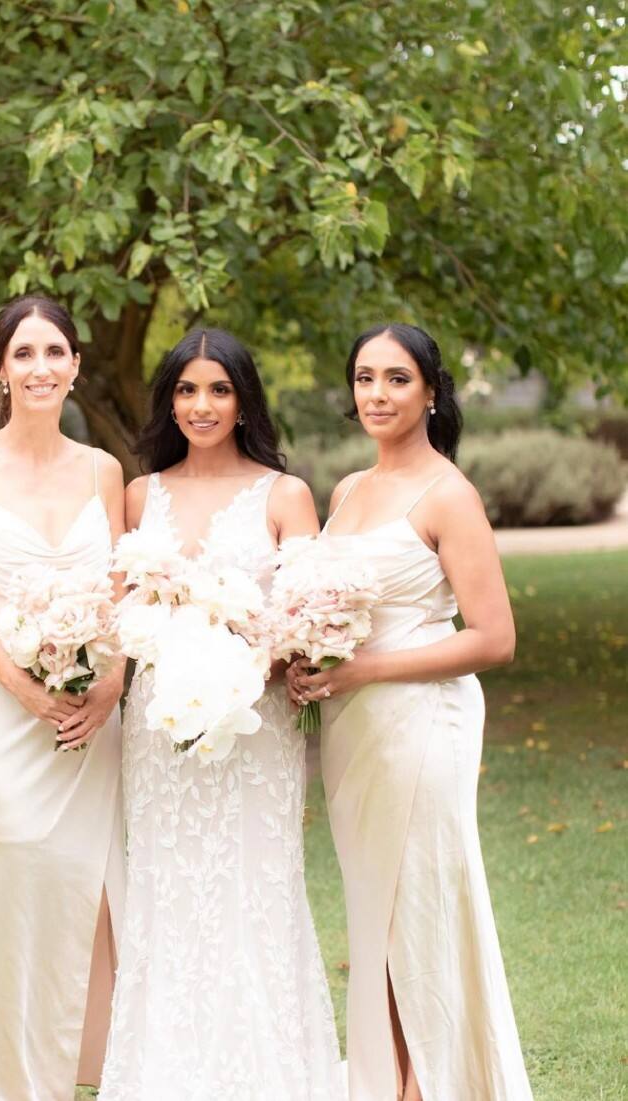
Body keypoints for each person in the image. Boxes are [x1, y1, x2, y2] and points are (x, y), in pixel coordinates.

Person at [99, 329, 346, 1101]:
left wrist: (247, 670)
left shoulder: (285, 493)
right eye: (185, 390)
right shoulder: (143, 494)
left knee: (253, 887)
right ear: (168, 400)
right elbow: (120, 614)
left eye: (217, 390)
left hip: (253, 724)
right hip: (157, 727)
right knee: (168, 889)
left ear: (244, 400)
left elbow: (309, 612)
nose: (200, 406)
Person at [288, 322, 533, 1101]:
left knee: (420, 901)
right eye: (365, 378)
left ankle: (433, 1081)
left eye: (397, 378)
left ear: (430, 391)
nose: (378, 394)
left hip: (423, 724)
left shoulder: (449, 495)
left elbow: (495, 637)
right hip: (353, 728)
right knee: (374, 910)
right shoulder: (349, 491)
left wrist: (367, 667)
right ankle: (388, 1074)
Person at [0, 295, 126, 1100]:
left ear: (76, 366)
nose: (41, 367)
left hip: (89, 723)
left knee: (81, 895)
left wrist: (111, 682)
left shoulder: (105, 470)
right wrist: (21, 686)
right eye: (25, 354)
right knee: (9, 896)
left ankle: (81, 1073)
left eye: (55, 352)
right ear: (1, 369)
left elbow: (121, 593)